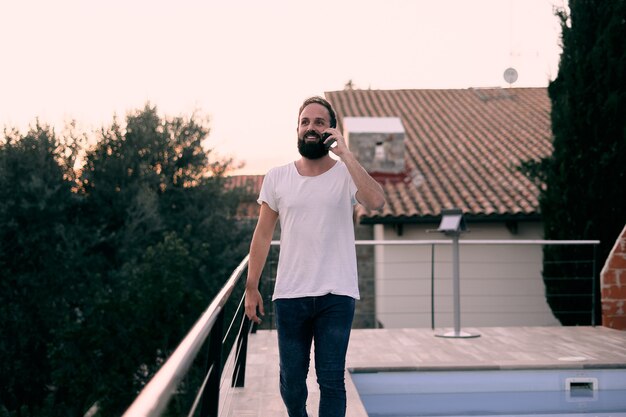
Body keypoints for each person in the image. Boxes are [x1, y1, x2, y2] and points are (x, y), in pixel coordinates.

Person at [244, 96, 385, 417]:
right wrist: (251, 286)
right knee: (291, 381)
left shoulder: (346, 173)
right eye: (305, 122)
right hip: (291, 295)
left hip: (337, 295)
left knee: (331, 379)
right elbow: (262, 235)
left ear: (330, 130)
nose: (311, 127)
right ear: (297, 129)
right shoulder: (277, 177)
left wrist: (347, 155)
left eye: (319, 122)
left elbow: (376, 201)